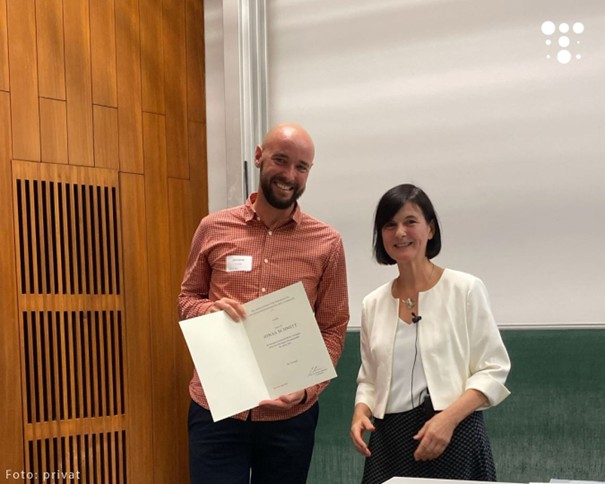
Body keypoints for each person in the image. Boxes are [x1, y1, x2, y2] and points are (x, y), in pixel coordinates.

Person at [178, 123, 350, 484]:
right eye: (281, 160)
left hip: (289, 419)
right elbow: (187, 299)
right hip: (216, 409)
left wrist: (307, 390)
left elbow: (333, 328)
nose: (290, 175)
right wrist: (208, 310)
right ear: (259, 156)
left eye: (301, 167)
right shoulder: (213, 227)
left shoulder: (327, 243)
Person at [350, 183, 510, 484]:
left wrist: (447, 420)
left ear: (431, 229)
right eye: (389, 225)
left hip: (456, 433)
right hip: (389, 441)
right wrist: (361, 412)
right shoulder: (372, 304)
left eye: (410, 221)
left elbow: (493, 369)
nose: (400, 233)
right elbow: (370, 378)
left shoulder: (465, 289)